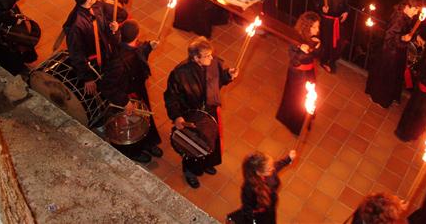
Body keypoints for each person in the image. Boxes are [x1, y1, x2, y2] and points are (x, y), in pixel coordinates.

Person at [164, 36, 238, 188]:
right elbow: (171, 97)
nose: (212, 57)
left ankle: (207, 162)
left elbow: (217, 82)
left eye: (211, 54)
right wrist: (176, 116)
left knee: (210, 140)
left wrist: (227, 76)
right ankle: (190, 171)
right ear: (196, 58)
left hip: (209, 111)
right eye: (207, 55)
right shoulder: (179, 74)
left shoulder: (213, 63)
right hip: (191, 115)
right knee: (192, 144)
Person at [99, 20, 163, 163]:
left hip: (137, 90)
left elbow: (139, 51)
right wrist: (125, 101)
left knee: (143, 119)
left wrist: (149, 46)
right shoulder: (118, 62)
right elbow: (106, 86)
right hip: (126, 97)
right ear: (136, 35)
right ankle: (133, 151)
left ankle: (147, 143)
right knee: (130, 125)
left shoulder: (133, 46)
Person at [365, 0, 423, 108]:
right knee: (386, 77)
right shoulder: (398, 18)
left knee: (394, 77)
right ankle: (380, 98)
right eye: (415, 9)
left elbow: (408, 30)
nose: (416, 13)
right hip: (390, 53)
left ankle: (390, 97)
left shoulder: (407, 17)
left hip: (397, 52)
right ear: (407, 6)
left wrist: (416, 36)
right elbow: (389, 36)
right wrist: (402, 38)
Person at [62, 0, 119, 95]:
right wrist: (87, 77)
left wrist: (111, 27)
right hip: (91, 59)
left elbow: (102, 25)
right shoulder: (76, 25)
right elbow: (76, 53)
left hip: (103, 52)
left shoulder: (96, 7)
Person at [276, 11, 321, 135]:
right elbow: (294, 60)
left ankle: (306, 120)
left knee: (308, 98)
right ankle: (296, 125)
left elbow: (317, 56)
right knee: (297, 100)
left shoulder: (314, 39)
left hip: (309, 74)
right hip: (297, 76)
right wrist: (301, 50)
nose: (317, 30)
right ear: (307, 27)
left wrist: (316, 48)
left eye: (318, 27)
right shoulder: (295, 39)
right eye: (315, 27)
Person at [233, 149, 297, 224]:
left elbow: (278, 165)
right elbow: (247, 208)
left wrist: (289, 158)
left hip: (270, 208)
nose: (273, 169)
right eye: (269, 169)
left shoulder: (269, 170)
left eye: (271, 165)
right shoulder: (249, 188)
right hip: (260, 215)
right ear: (259, 172)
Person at [315, 0, 350, 74]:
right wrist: (321, 7)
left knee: (338, 42)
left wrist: (346, 12)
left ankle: (332, 60)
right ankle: (324, 61)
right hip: (327, 19)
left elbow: (347, 2)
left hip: (338, 20)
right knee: (326, 41)